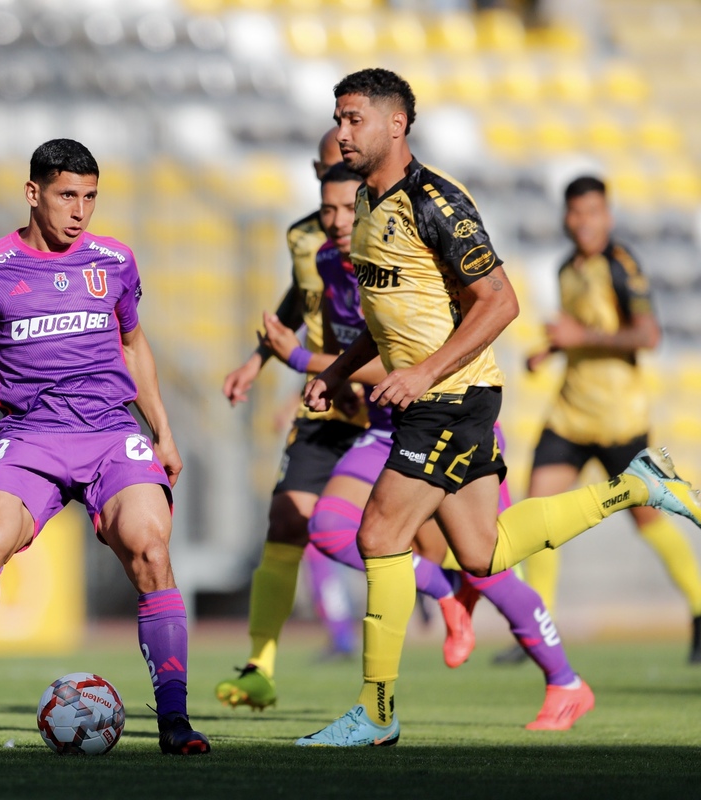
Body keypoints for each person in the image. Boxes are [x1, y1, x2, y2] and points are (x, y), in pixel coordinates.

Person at [294, 68, 701, 747]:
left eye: (353, 119)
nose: (342, 132)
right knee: (483, 552)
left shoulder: (438, 202)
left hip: (450, 397)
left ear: (396, 124)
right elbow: (392, 313)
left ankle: (378, 712)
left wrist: (422, 372)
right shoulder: (367, 206)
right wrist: (339, 370)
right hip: (442, 396)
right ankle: (636, 486)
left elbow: (501, 302)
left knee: (378, 537)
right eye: (338, 119)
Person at [0, 139, 210, 755]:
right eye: (66, 196)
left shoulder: (116, 261)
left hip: (111, 433)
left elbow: (135, 346)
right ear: (33, 193)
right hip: (32, 437)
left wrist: (163, 430)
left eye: (90, 197)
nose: (80, 211)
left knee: (150, 547)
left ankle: (175, 719)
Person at [261, 163, 593, 730]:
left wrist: (303, 361)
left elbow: (466, 316)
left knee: (483, 562)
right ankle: (438, 600)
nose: (338, 219)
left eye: (346, 206)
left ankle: (559, 678)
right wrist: (313, 370)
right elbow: (378, 340)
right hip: (391, 423)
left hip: (447, 410)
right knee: (334, 529)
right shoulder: (331, 261)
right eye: (329, 208)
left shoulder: (414, 226)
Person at [214, 130, 475, 711]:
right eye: (334, 173)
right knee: (286, 520)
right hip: (327, 401)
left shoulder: (389, 232)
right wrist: (258, 362)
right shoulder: (305, 237)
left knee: (460, 542)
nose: (347, 180)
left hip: (385, 401)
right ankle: (260, 666)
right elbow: (297, 297)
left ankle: (479, 612)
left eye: (354, 172)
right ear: (320, 171)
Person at [509, 176, 701, 665]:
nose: (584, 222)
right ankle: (540, 625)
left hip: (618, 416)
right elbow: (581, 331)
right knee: (538, 508)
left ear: (607, 216)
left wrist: (576, 337)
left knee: (645, 518)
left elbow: (647, 335)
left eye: (594, 212)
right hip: (571, 412)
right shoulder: (564, 269)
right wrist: (549, 350)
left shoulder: (621, 265)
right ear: (566, 217)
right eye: (576, 212)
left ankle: (700, 608)